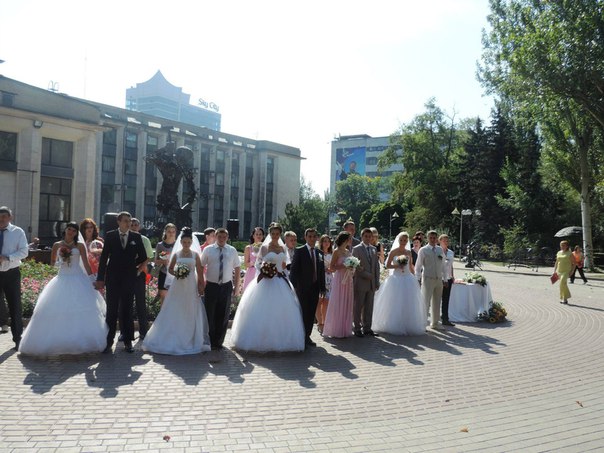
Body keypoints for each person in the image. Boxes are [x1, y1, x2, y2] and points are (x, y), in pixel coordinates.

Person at [19, 222, 108, 356]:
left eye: (73, 230)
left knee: (82, 309)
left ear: (76, 233)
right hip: (62, 278)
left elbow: (86, 264)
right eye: (69, 229)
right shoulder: (57, 245)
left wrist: (92, 279)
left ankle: (78, 341)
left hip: (78, 278)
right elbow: (52, 263)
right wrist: (60, 263)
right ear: (65, 230)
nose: (71, 232)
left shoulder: (80, 245)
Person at [231, 222, 305, 352]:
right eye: (273, 233)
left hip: (280, 280)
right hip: (267, 280)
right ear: (270, 234)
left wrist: (281, 272)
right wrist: (266, 270)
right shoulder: (264, 248)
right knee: (264, 310)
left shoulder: (283, 249)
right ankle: (262, 339)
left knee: (282, 310)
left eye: (277, 234)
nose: (275, 236)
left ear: (280, 234)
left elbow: (283, 265)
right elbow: (258, 264)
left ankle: (282, 339)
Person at [143, 227, 211, 355]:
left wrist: (201, 285)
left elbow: (200, 272)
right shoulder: (176, 254)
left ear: (191, 242)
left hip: (191, 284)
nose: (186, 244)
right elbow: (170, 269)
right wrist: (177, 273)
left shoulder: (196, 255)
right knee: (176, 307)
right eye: (184, 242)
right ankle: (173, 334)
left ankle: (190, 336)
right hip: (178, 284)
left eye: (188, 242)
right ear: (181, 242)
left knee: (190, 308)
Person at [95, 211, 147, 353]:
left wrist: (131, 264)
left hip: (129, 278)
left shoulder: (136, 236)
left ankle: (128, 340)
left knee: (127, 309)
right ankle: (108, 341)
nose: (128, 223)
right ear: (118, 222)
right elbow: (104, 258)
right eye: (125, 221)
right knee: (111, 310)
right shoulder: (111, 236)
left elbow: (143, 257)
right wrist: (100, 278)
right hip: (113, 278)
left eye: (129, 221)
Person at [373, 232, 427, 336]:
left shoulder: (408, 252)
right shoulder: (393, 251)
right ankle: (395, 323)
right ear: (398, 241)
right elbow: (388, 265)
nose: (403, 242)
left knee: (408, 302)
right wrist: (397, 266)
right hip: (396, 279)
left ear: (407, 241)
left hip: (408, 279)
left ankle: (407, 324)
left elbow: (411, 266)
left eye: (405, 240)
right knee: (395, 302)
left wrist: (416, 277)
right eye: (401, 240)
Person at [200, 227, 241, 349]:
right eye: (219, 237)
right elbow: (201, 266)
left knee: (223, 314)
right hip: (211, 285)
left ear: (227, 238)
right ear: (215, 237)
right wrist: (201, 283)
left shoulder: (232, 250)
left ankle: (219, 341)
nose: (222, 239)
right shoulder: (208, 250)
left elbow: (238, 268)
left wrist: (236, 285)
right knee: (210, 313)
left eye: (224, 237)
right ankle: (211, 340)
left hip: (226, 285)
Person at [290, 227, 326, 348]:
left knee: (311, 314)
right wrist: (293, 287)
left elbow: (321, 272)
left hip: (315, 288)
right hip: (302, 288)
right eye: (309, 236)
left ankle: (308, 336)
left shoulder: (319, 253)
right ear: (305, 237)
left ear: (316, 238)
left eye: (314, 236)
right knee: (303, 312)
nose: (312, 238)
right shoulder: (299, 251)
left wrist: (322, 287)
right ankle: (302, 336)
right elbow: (294, 271)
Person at [0, 206, 28, 350]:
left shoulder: (18, 232)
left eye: (5, 216)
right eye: (0, 216)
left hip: (11, 272)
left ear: (10, 218)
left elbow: (24, 251)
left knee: (15, 306)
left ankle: (17, 339)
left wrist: (8, 257)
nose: (2, 219)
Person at [323, 232, 354, 338]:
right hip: (340, 279)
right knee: (338, 301)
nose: (351, 241)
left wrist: (352, 267)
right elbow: (331, 267)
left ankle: (345, 329)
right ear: (345, 240)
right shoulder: (336, 251)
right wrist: (343, 266)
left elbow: (351, 264)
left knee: (346, 302)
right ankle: (336, 329)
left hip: (348, 279)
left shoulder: (348, 251)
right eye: (349, 239)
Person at [415, 230, 447, 330]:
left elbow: (443, 265)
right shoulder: (423, 250)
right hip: (428, 279)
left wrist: (445, 278)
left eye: (434, 238)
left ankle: (435, 323)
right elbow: (418, 266)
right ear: (427, 238)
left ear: (437, 239)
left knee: (437, 302)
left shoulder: (440, 250)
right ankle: (422, 324)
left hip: (438, 279)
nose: (433, 240)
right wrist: (418, 279)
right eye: (431, 238)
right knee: (425, 302)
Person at [351, 228, 381, 337]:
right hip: (361, 282)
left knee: (369, 306)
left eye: (370, 236)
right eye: (366, 236)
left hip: (372, 283)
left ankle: (367, 328)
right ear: (362, 237)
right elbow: (356, 265)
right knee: (358, 306)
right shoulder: (356, 249)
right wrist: (367, 275)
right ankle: (357, 328)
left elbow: (376, 266)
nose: (368, 238)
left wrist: (377, 280)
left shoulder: (373, 249)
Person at [130, 218, 153, 340]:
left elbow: (149, 257)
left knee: (140, 303)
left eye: (136, 224)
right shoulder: (125, 238)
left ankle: (143, 331)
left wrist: (139, 269)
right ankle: (126, 332)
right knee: (126, 303)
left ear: (139, 227)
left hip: (140, 273)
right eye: (132, 224)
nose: (134, 226)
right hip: (127, 273)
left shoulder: (145, 240)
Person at [155, 223, 177, 305]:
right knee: (163, 297)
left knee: (174, 298)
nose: (171, 233)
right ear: (165, 232)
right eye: (169, 231)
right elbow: (156, 260)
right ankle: (162, 317)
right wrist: (164, 261)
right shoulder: (160, 245)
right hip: (163, 273)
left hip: (175, 274)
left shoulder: (178, 245)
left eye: (173, 231)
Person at [316, 234, 333, 334]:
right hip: (320, 278)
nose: (326, 243)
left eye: (328, 241)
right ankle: (320, 323)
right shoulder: (318, 253)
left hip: (330, 278)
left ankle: (325, 322)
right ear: (321, 242)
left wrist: (332, 269)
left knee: (326, 301)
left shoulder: (332, 253)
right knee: (319, 300)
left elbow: (334, 266)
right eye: (324, 241)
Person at [242, 227, 265, 293]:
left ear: (263, 236)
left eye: (260, 234)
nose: (258, 236)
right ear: (253, 236)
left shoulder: (266, 248)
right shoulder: (248, 248)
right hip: (251, 272)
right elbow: (246, 264)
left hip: (262, 272)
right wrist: (253, 263)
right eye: (256, 234)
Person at [439, 234, 456, 327]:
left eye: (447, 240)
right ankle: (435, 319)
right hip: (439, 278)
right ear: (440, 241)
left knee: (446, 299)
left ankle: (445, 318)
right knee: (437, 299)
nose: (446, 242)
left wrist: (452, 275)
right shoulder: (437, 251)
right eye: (444, 240)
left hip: (448, 278)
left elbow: (451, 265)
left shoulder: (450, 252)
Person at [553, 240, 575, 305]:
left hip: (566, 271)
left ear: (567, 246)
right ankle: (564, 298)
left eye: (563, 245)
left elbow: (574, 263)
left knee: (562, 283)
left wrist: (572, 271)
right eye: (561, 245)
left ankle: (564, 298)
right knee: (562, 285)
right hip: (559, 271)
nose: (562, 246)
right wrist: (554, 271)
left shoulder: (570, 253)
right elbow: (557, 262)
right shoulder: (559, 253)